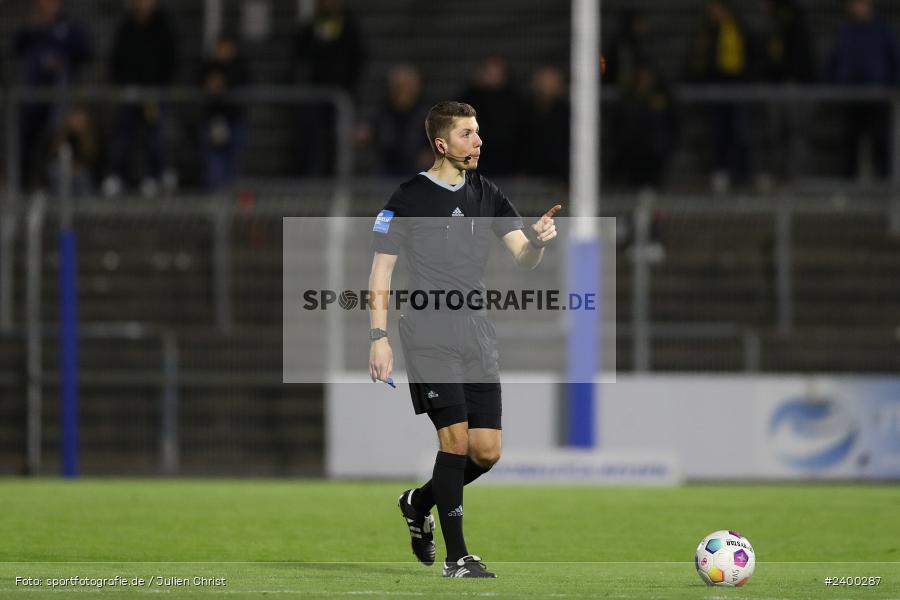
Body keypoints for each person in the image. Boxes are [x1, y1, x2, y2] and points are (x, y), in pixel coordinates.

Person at [367, 101, 559, 578]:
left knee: (487, 451)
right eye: (468, 134)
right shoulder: (407, 198)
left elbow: (522, 257)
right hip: (428, 332)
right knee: (453, 442)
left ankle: (418, 502)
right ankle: (458, 558)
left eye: (478, 132)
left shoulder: (487, 193)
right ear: (442, 144)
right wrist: (378, 337)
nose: (479, 141)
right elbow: (380, 273)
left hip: (476, 331)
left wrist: (535, 240)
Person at [12, 0, 92, 191]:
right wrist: (30, 28)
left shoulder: (69, 27)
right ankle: (27, 190)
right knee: (27, 147)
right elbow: (15, 47)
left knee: (58, 146)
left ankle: (51, 189)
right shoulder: (33, 27)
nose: (45, 5)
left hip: (61, 102)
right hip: (33, 102)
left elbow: (86, 53)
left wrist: (61, 61)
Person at [102, 0, 178, 198]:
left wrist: (159, 85)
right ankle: (117, 177)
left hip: (153, 94)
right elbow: (116, 57)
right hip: (129, 93)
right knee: (123, 136)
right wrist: (121, 84)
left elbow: (170, 59)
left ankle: (152, 177)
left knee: (154, 136)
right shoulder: (126, 26)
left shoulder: (163, 26)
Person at [292, 0, 366, 176]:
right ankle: (311, 174)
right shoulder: (313, 25)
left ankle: (335, 176)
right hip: (316, 92)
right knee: (312, 136)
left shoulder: (348, 25)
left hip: (340, 93)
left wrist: (349, 83)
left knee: (337, 138)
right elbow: (300, 51)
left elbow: (359, 56)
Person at [686, 0, 754, 192]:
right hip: (716, 87)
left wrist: (747, 78)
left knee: (741, 132)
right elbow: (699, 58)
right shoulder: (707, 31)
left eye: (715, 8)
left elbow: (750, 54)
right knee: (719, 131)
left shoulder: (739, 27)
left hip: (737, 86)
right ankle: (720, 171)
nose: (712, 12)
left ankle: (742, 175)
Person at [828, 0, 900, 180]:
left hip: (878, 98)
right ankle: (848, 187)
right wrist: (836, 84)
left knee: (880, 143)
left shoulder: (883, 31)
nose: (855, 7)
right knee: (849, 143)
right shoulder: (845, 31)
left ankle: (884, 185)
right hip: (850, 98)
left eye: (860, 3)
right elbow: (834, 62)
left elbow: (895, 61)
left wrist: (892, 85)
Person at [199, 32, 250, 191]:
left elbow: (243, 82)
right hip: (214, 120)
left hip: (234, 120)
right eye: (221, 48)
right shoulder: (208, 65)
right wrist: (211, 85)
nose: (224, 51)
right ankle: (215, 195)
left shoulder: (239, 66)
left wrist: (224, 83)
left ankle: (230, 196)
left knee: (233, 160)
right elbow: (199, 81)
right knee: (214, 160)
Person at [459, 56, 521, 177]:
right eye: (489, 72)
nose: (492, 77)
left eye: (496, 73)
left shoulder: (514, 101)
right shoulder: (469, 98)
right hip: (476, 159)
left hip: (506, 159)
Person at [522, 65, 569, 181]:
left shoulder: (567, 113)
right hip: (530, 174)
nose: (546, 87)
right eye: (542, 82)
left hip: (560, 175)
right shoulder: (525, 111)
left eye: (551, 83)